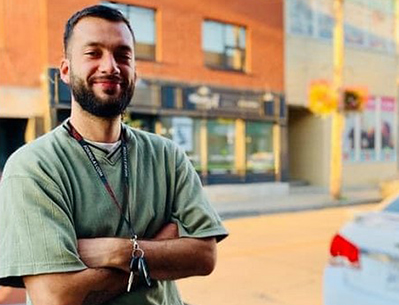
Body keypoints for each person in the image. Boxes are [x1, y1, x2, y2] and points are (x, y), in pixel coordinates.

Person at [0, 5, 228, 305]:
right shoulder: (33, 167)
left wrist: (119, 252)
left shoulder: (167, 156)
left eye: (123, 55)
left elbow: (204, 256)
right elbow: (55, 297)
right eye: (93, 53)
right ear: (66, 71)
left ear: (135, 70)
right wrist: (160, 249)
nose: (110, 66)